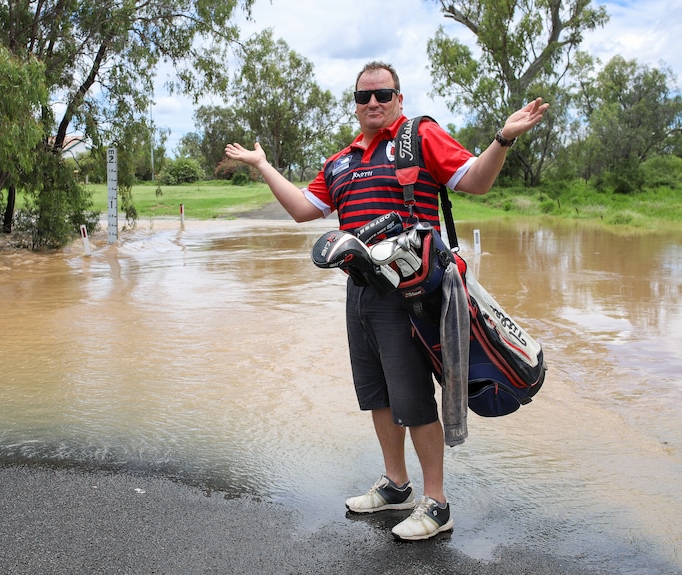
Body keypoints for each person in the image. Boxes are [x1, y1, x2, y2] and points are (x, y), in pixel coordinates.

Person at [225, 61, 548, 541]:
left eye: (382, 94)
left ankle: (436, 504)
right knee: (377, 394)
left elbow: (474, 181)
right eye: (363, 97)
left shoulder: (420, 135)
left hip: (412, 293)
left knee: (413, 397)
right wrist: (262, 165)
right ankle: (397, 485)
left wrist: (502, 140)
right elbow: (299, 211)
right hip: (360, 293)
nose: (373, 103)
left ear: (399, 98)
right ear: (355, 104)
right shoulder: (340, 162)